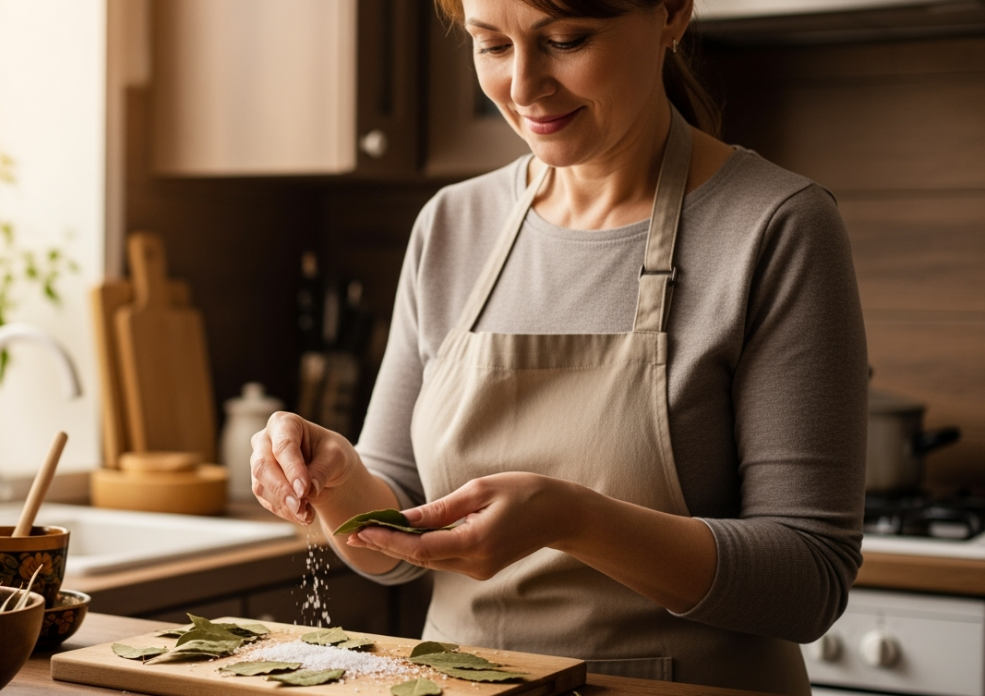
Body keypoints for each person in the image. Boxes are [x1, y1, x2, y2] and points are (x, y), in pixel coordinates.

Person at [249, 0, 867, 693]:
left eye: (566, 41)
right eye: (492, 46)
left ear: (671, 13)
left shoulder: (776, 227)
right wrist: (338, 484)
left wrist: (574, 520)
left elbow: (809, 580)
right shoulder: (452, 225)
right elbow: (396, 550)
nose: (522, 86)